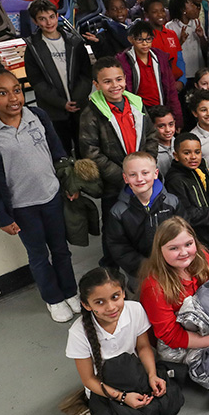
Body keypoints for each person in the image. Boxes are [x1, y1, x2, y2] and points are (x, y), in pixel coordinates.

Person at [0, 52, 78, 323]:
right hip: (22, 207)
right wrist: (2, 215)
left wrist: (69, 184)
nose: (13, 98)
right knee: (39, 255)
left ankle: (69, 291)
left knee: (61, 249)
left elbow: (58, 153)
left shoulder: (38, 116)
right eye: (2, 93)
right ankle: (53, 299)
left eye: (16, 90)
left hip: (51, 197)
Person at [65, 267, 184, 415]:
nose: (111, 307)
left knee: (172, 404)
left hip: (135, 375)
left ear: (123, 293)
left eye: (115, 297)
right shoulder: (78, 333)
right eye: (99, 302)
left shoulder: (134, 309)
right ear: (87, 305)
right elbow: (89, 379)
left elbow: (143, 347)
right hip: (106, 391)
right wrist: (122, 397)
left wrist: (152, 375)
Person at [79, 57, 158, 265]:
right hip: (114, 184)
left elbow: (151, 135)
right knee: (114, 227)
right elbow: (91, 152)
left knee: (144, 221)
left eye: (119, 79)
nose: (115, 85)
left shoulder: (136, 103)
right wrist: (124, 177)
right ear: (96, 85)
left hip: (142, 179)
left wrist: (146, 168)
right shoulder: (91, 113)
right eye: (107, 81)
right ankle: (111, 267)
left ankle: (144, 264)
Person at [139, 216, 209, 354]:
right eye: (174, 248)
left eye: (188, 244)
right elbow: (172, 336)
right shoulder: (153, 287)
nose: (184, 253)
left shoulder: (202, 258)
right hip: (183, 342)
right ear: (159, 251)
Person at [24, 0, 91, 156]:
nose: (49, 22)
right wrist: (62, 103)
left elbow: (86, 74)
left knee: (85, 148)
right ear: (35, 21)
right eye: (42, 19)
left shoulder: (75, 42)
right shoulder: (33, 48)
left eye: (51, 17)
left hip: (79, 106)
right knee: (62, 150)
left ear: (57, 16)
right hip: (54, 110)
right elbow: (37, 82)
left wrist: (78, 99)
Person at [105, 152, 183, 282]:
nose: (139, 179)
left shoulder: (172, 202)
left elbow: (183, 232)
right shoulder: (118, 212)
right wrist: (146, 267)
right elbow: (118, 246)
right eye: (133, 175)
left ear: (155, 173)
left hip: (174, 265)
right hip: (141, 273)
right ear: (125, 178)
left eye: (145, 173)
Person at [164, 132, 209, 257]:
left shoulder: (199, 170)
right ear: (176, 156)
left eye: (197, 152)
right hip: (197, 238)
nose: (193, 157)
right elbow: (188, 215)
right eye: (187, 153)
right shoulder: (175, 180)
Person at [117, 21, 184, 129]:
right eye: (140, 40)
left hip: (160, 110)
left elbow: (171, 91)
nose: (145, 43)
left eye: (148, 39)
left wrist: (178, 119)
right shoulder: (124, 61)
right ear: (130, 39)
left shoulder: (160, 58)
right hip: (138, 113)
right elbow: (124, 93)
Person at [165, 0, 207, 87]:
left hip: (198, 70)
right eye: (191, 5)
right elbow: (169, 52)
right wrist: (180, 41)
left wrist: (201, 37)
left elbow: (205, 48)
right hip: (182, 73)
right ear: (183, 10)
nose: (195, 7)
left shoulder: (196, 23)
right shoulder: (170, 26)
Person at [144, 0, 187, 87]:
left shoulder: (172, 34)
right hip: (157, 86)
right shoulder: (144, 37)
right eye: (155, 12)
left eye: (162, 11)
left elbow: (179, 59)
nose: (160, 14)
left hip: (176, 84)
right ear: (147, 15)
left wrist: (182, 81)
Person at [148, 104, 176, 177]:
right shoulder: (150, 151)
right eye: (161, 126)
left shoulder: (180, 145)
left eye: (171, 124)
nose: (168, 130)